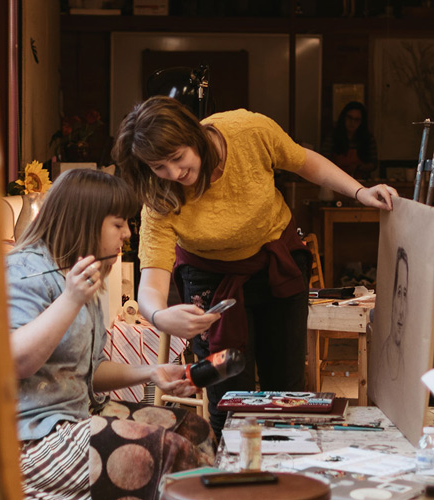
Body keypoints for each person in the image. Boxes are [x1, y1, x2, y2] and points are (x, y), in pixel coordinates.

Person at [112, 96, 398, 438]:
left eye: (177, 158)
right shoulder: (159, 196)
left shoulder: (248, 130)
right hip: (211, 279)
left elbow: (306, 163)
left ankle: (288, 472)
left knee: (287, 388)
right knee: (230, 396)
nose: (174, 174)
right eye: (159, 167)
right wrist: (159, 316)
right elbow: (152, 282)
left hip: (276, 260)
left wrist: (359, 192)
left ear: (195, 135)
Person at [0, 169, 216, 500]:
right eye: (118, 224)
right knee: (167, 451)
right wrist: (70, 300)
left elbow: (91, 370)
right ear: (84, 220)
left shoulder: (76, 277)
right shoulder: (21, 272)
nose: (127, 234)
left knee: (195, 430)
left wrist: (151, 372)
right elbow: (13, 362)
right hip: (18, 443)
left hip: (72, 421)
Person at [320, 101, 378, 180]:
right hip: (336, 180)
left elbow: (374, 163)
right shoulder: (332, 136)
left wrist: (358, 167)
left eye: (356, 120)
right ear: (344, 118)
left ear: (361, 122)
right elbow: (323, 159)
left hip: (360, 181)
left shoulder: (368, 138)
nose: (352, 122)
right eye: (349, 118)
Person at [381, 246, 409, 381]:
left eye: (405, 294)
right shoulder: (382, 360)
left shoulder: (408, 361)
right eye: (398, 293)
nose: (402, 309)